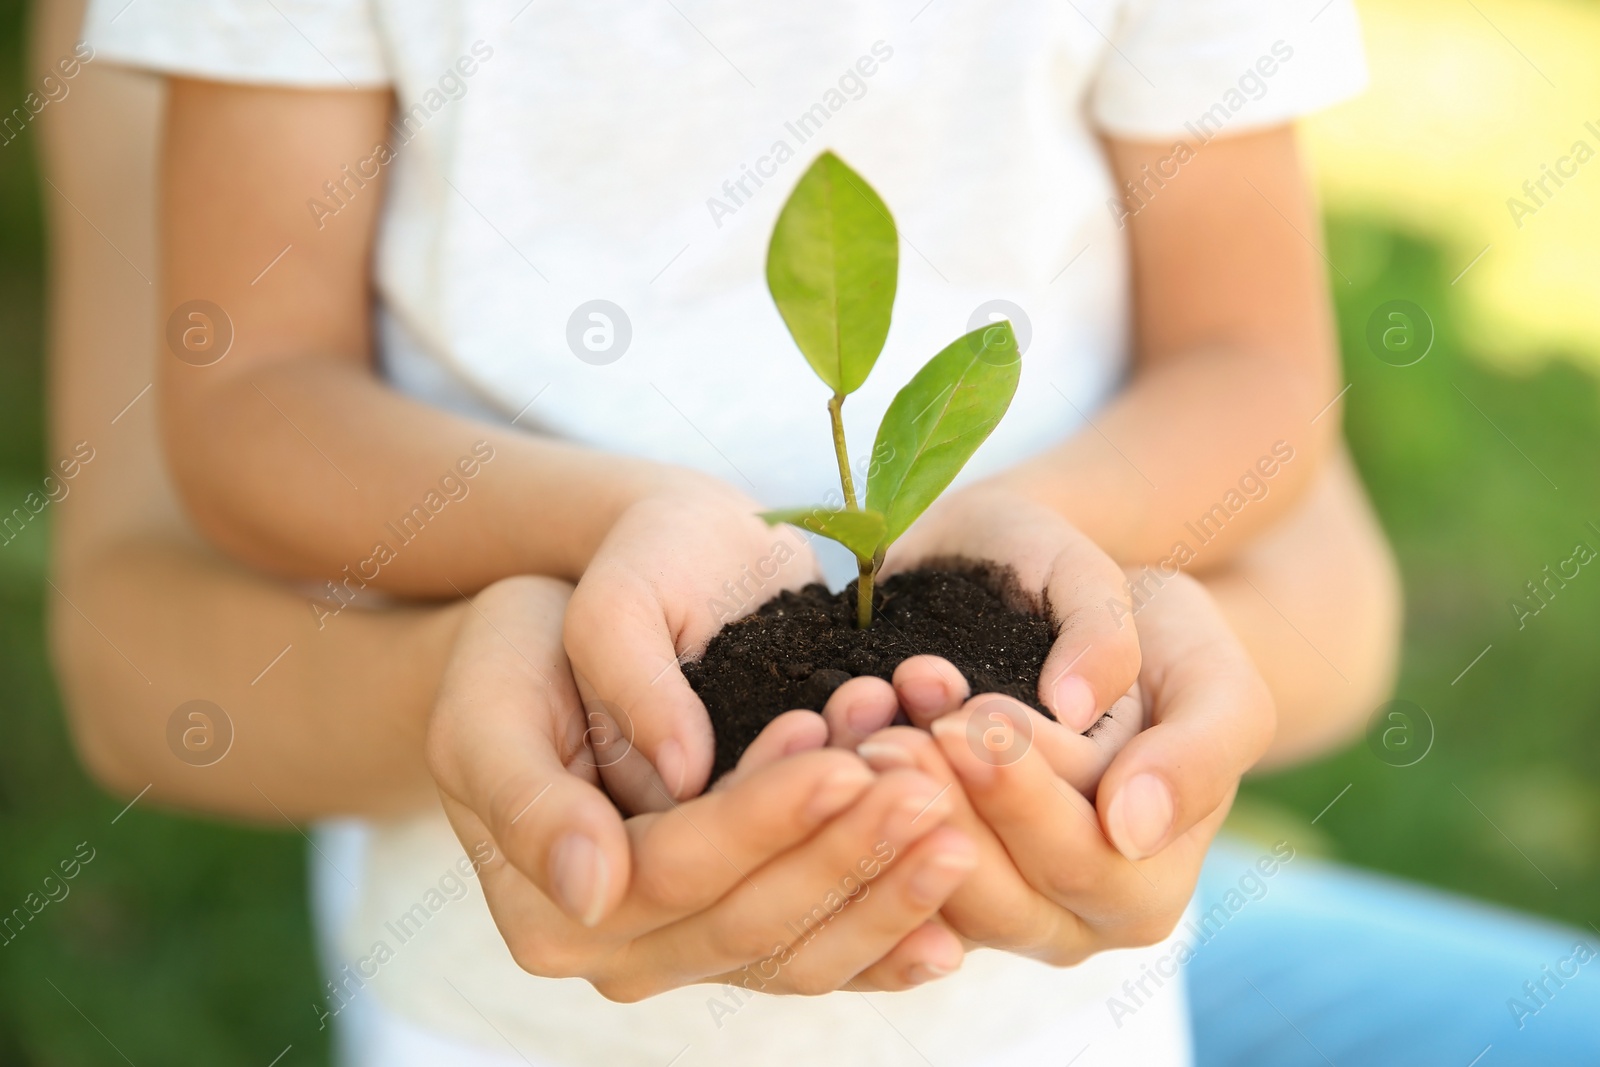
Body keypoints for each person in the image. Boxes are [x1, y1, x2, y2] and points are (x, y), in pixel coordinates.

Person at [46, 1, 1591, 1065]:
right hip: (525, 1010)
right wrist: (604, 542)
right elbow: (249, 398)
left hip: (1047, 1013)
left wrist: (1032, 545)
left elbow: (1254, 369)